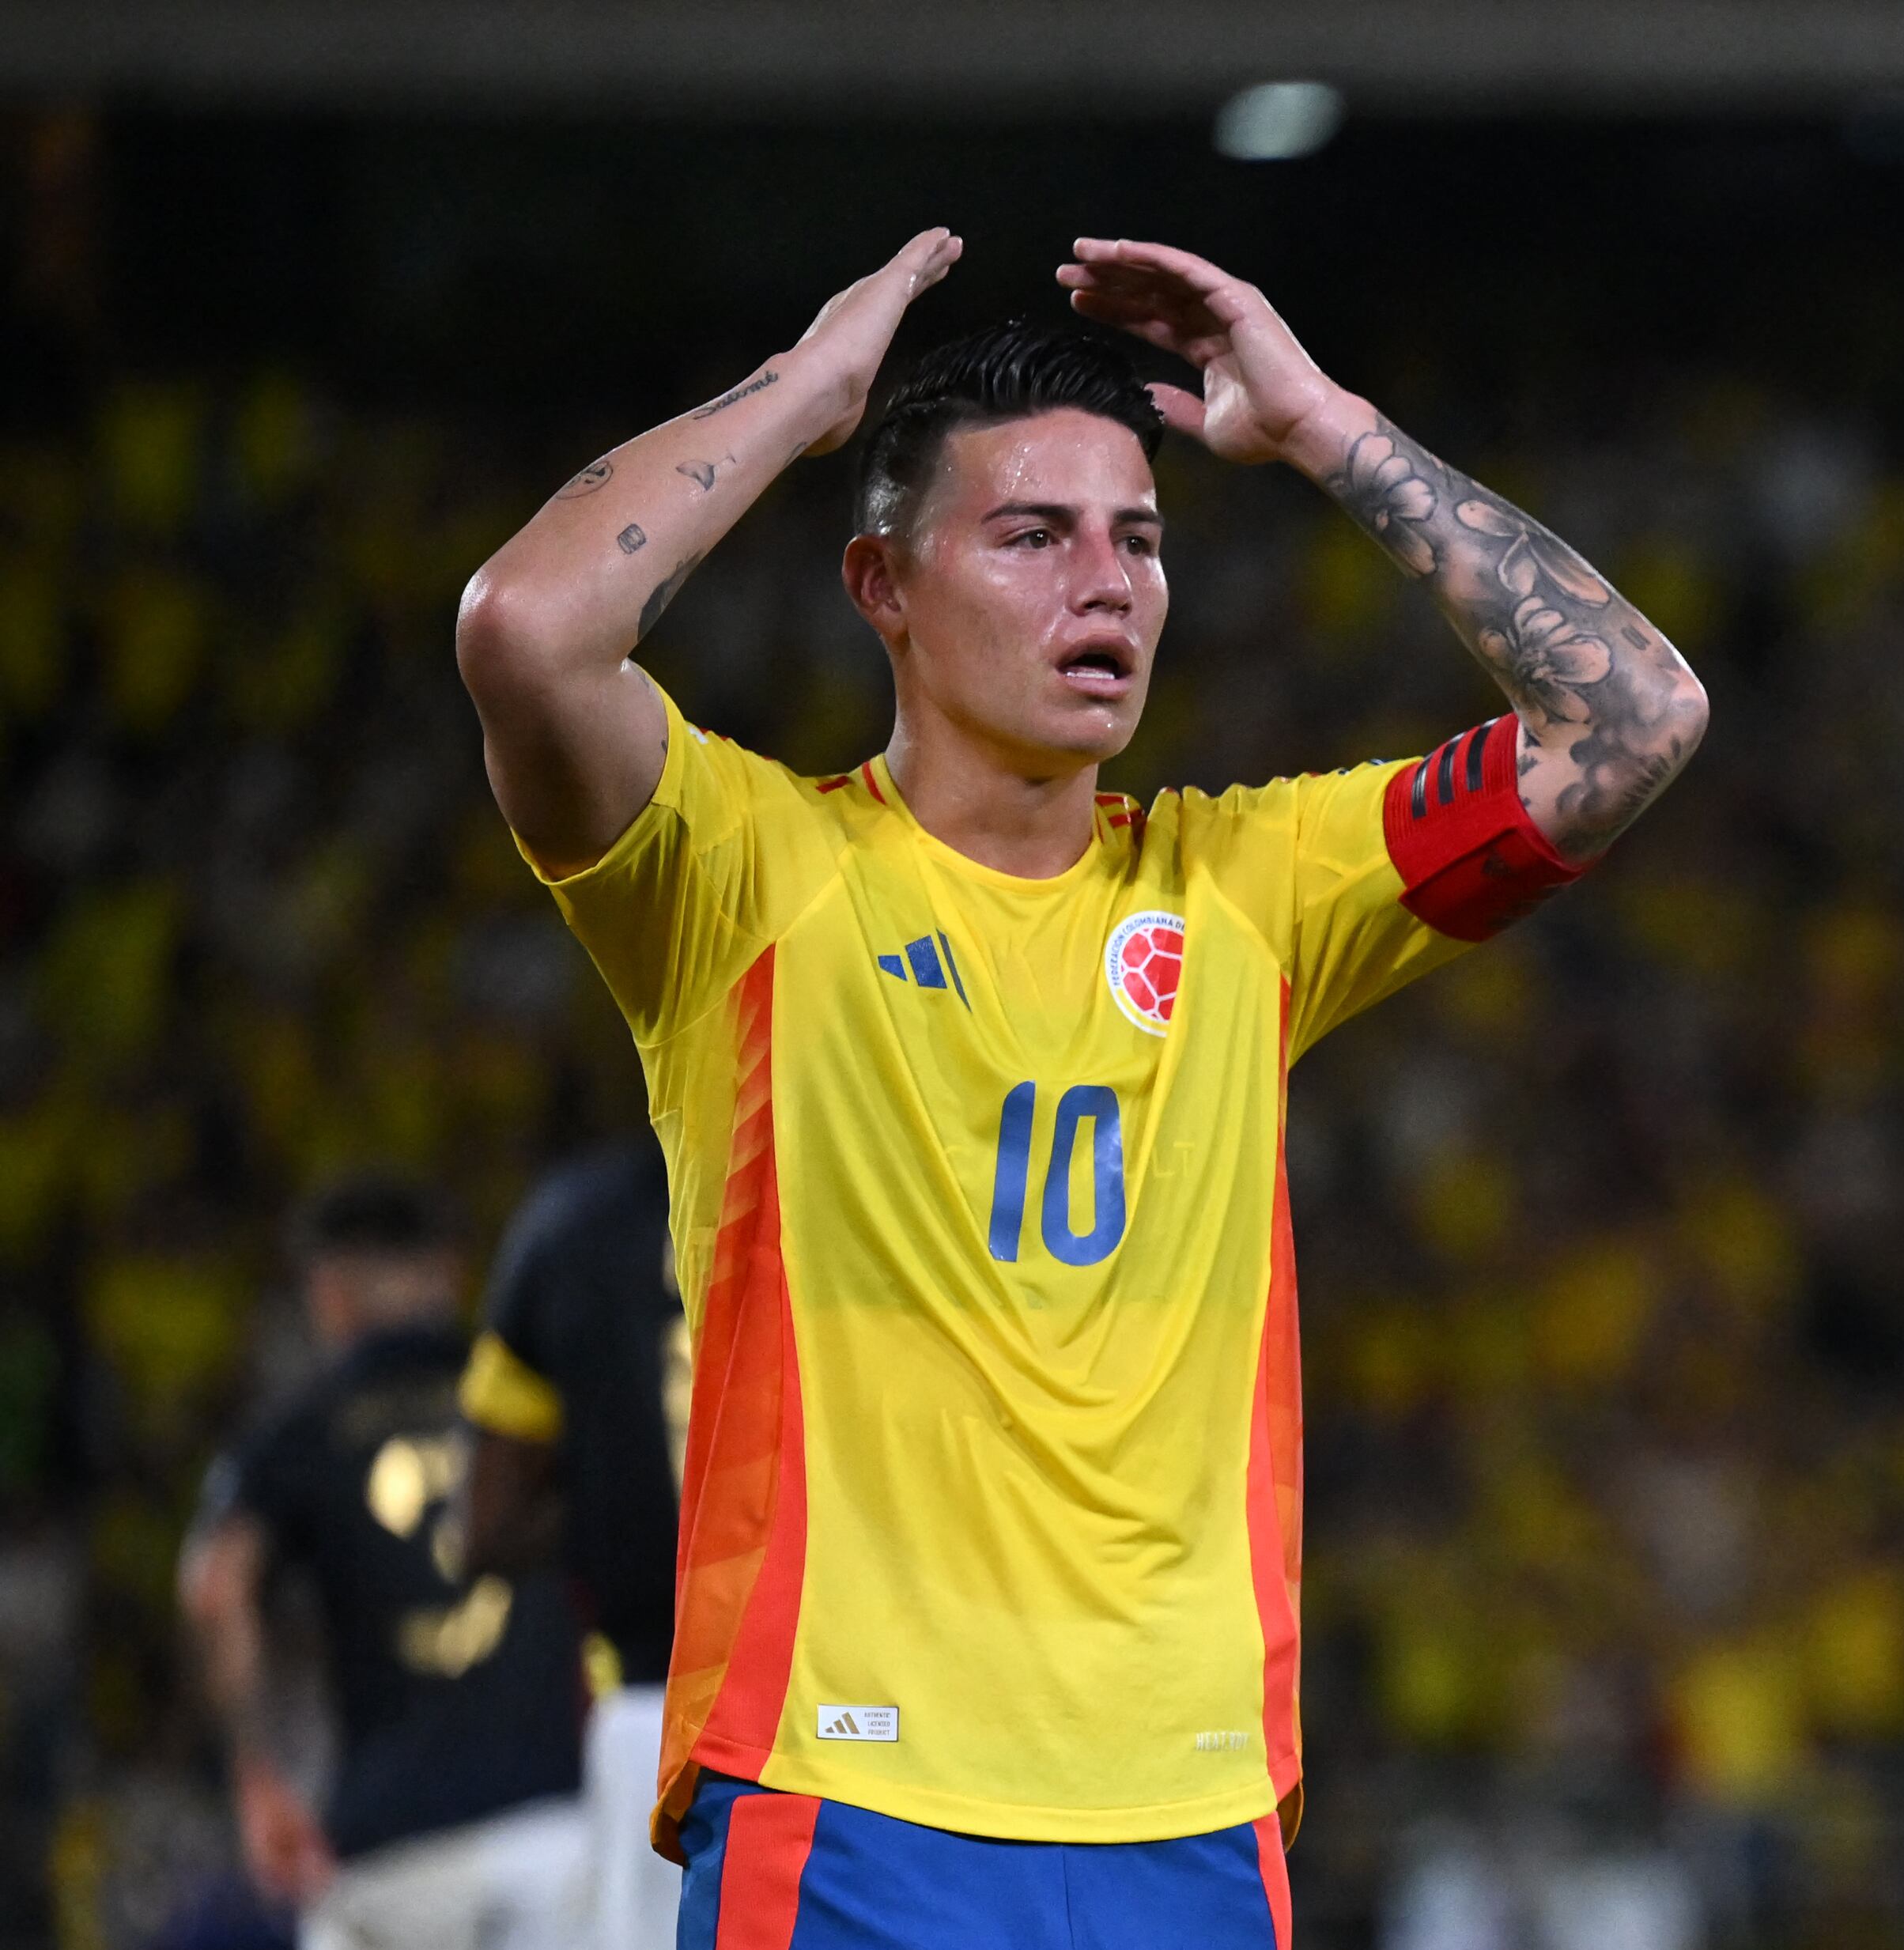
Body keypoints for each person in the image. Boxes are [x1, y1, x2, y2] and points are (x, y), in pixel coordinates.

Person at [451, 229, 1707, 1948]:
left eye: (1137, 540)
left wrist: (1330, 427)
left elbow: (1633, 716)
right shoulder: (742, 878)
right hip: (847, 1797)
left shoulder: (1250, 889)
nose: (1101, 585)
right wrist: (809, 394)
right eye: (1030, 538)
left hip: (1187, 1815)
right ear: (880, 586)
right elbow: (526, 633)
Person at [179, 1176, 591, 1950]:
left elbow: (215, 1586)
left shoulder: (296, 1429)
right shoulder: (533, 1405)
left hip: (391, 1850)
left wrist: (257, 1778)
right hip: (552, 1830)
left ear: (327, 1293)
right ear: (452, 1273)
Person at [456, 1134, 685, 1950]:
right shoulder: (872, 1189)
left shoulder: (568, 1230)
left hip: (651, 1713)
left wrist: (615, 1496)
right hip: (858, 1710)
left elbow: (484, 1529)